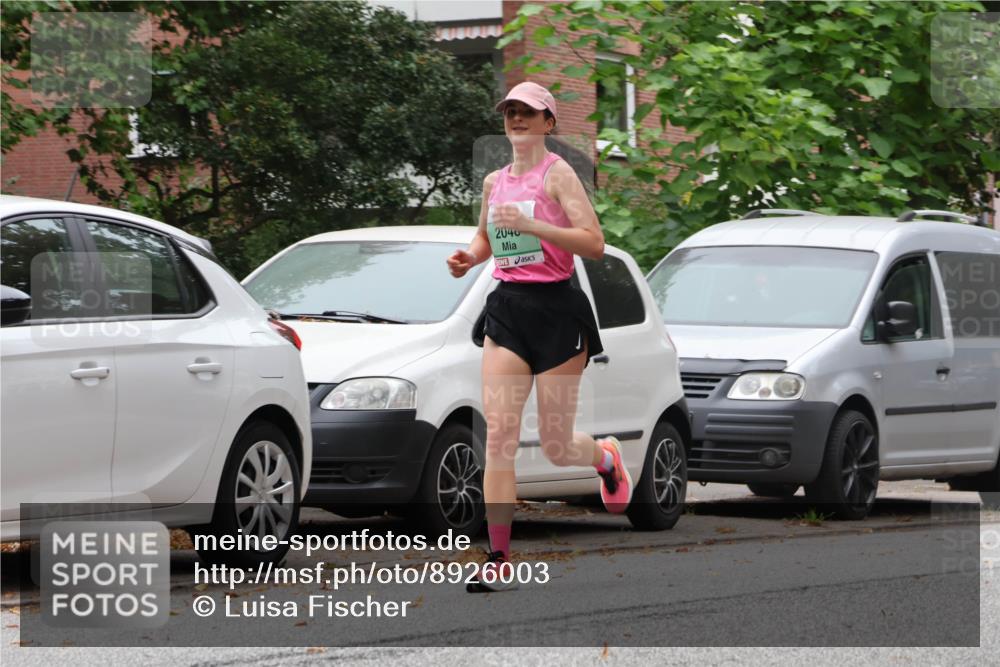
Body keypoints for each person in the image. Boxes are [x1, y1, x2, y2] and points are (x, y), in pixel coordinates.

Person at [446, 81, 633, 593]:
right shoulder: (494, 182)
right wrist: (470, 256)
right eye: (510, 111)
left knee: (555, 445)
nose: (517, 119)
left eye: (528, 112)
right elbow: (487, 236)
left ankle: (604, 458)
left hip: (557, 310)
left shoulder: (560, 175)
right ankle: (499, 554)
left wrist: (537, 226)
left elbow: (593, 244)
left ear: (549, 123)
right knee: (501, 438)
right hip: (508, 310)